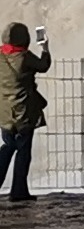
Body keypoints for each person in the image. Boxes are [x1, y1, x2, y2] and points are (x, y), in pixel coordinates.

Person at [0, 23, 49, 200]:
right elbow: (44, 66)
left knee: (8, 145)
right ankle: (19, 191)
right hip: (24, 113)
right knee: (23, 151)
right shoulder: (25, 57)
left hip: (4, 113)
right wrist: (45, 48)